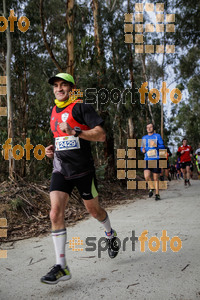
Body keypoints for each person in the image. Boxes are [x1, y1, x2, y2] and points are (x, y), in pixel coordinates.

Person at [41, 73, 119, 285]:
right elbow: (60, 138)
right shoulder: (53, 112)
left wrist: (77, 132)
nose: (59, 89)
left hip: (83, 171)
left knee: (94, 211)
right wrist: (52, 149)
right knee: (55, 212)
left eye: (63, 85)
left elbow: (101, 134)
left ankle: (110, 234)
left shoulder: (81, 107)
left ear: (71, 88)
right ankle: (61, 266)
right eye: (56, 86)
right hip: (60, 169)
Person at [140, 123, 165, 201]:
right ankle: (151, 187)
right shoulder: (144, 138)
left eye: (150, 127)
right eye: (147, 127)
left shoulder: (157, 136)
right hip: (147, 159)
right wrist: (142, 150)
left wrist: (156, 146)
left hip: (155, 159)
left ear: (153, 128)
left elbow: (162, 146)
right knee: (146, 176)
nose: (149, 128)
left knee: (155, 178)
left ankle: (157, 194)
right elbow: (142, 147)